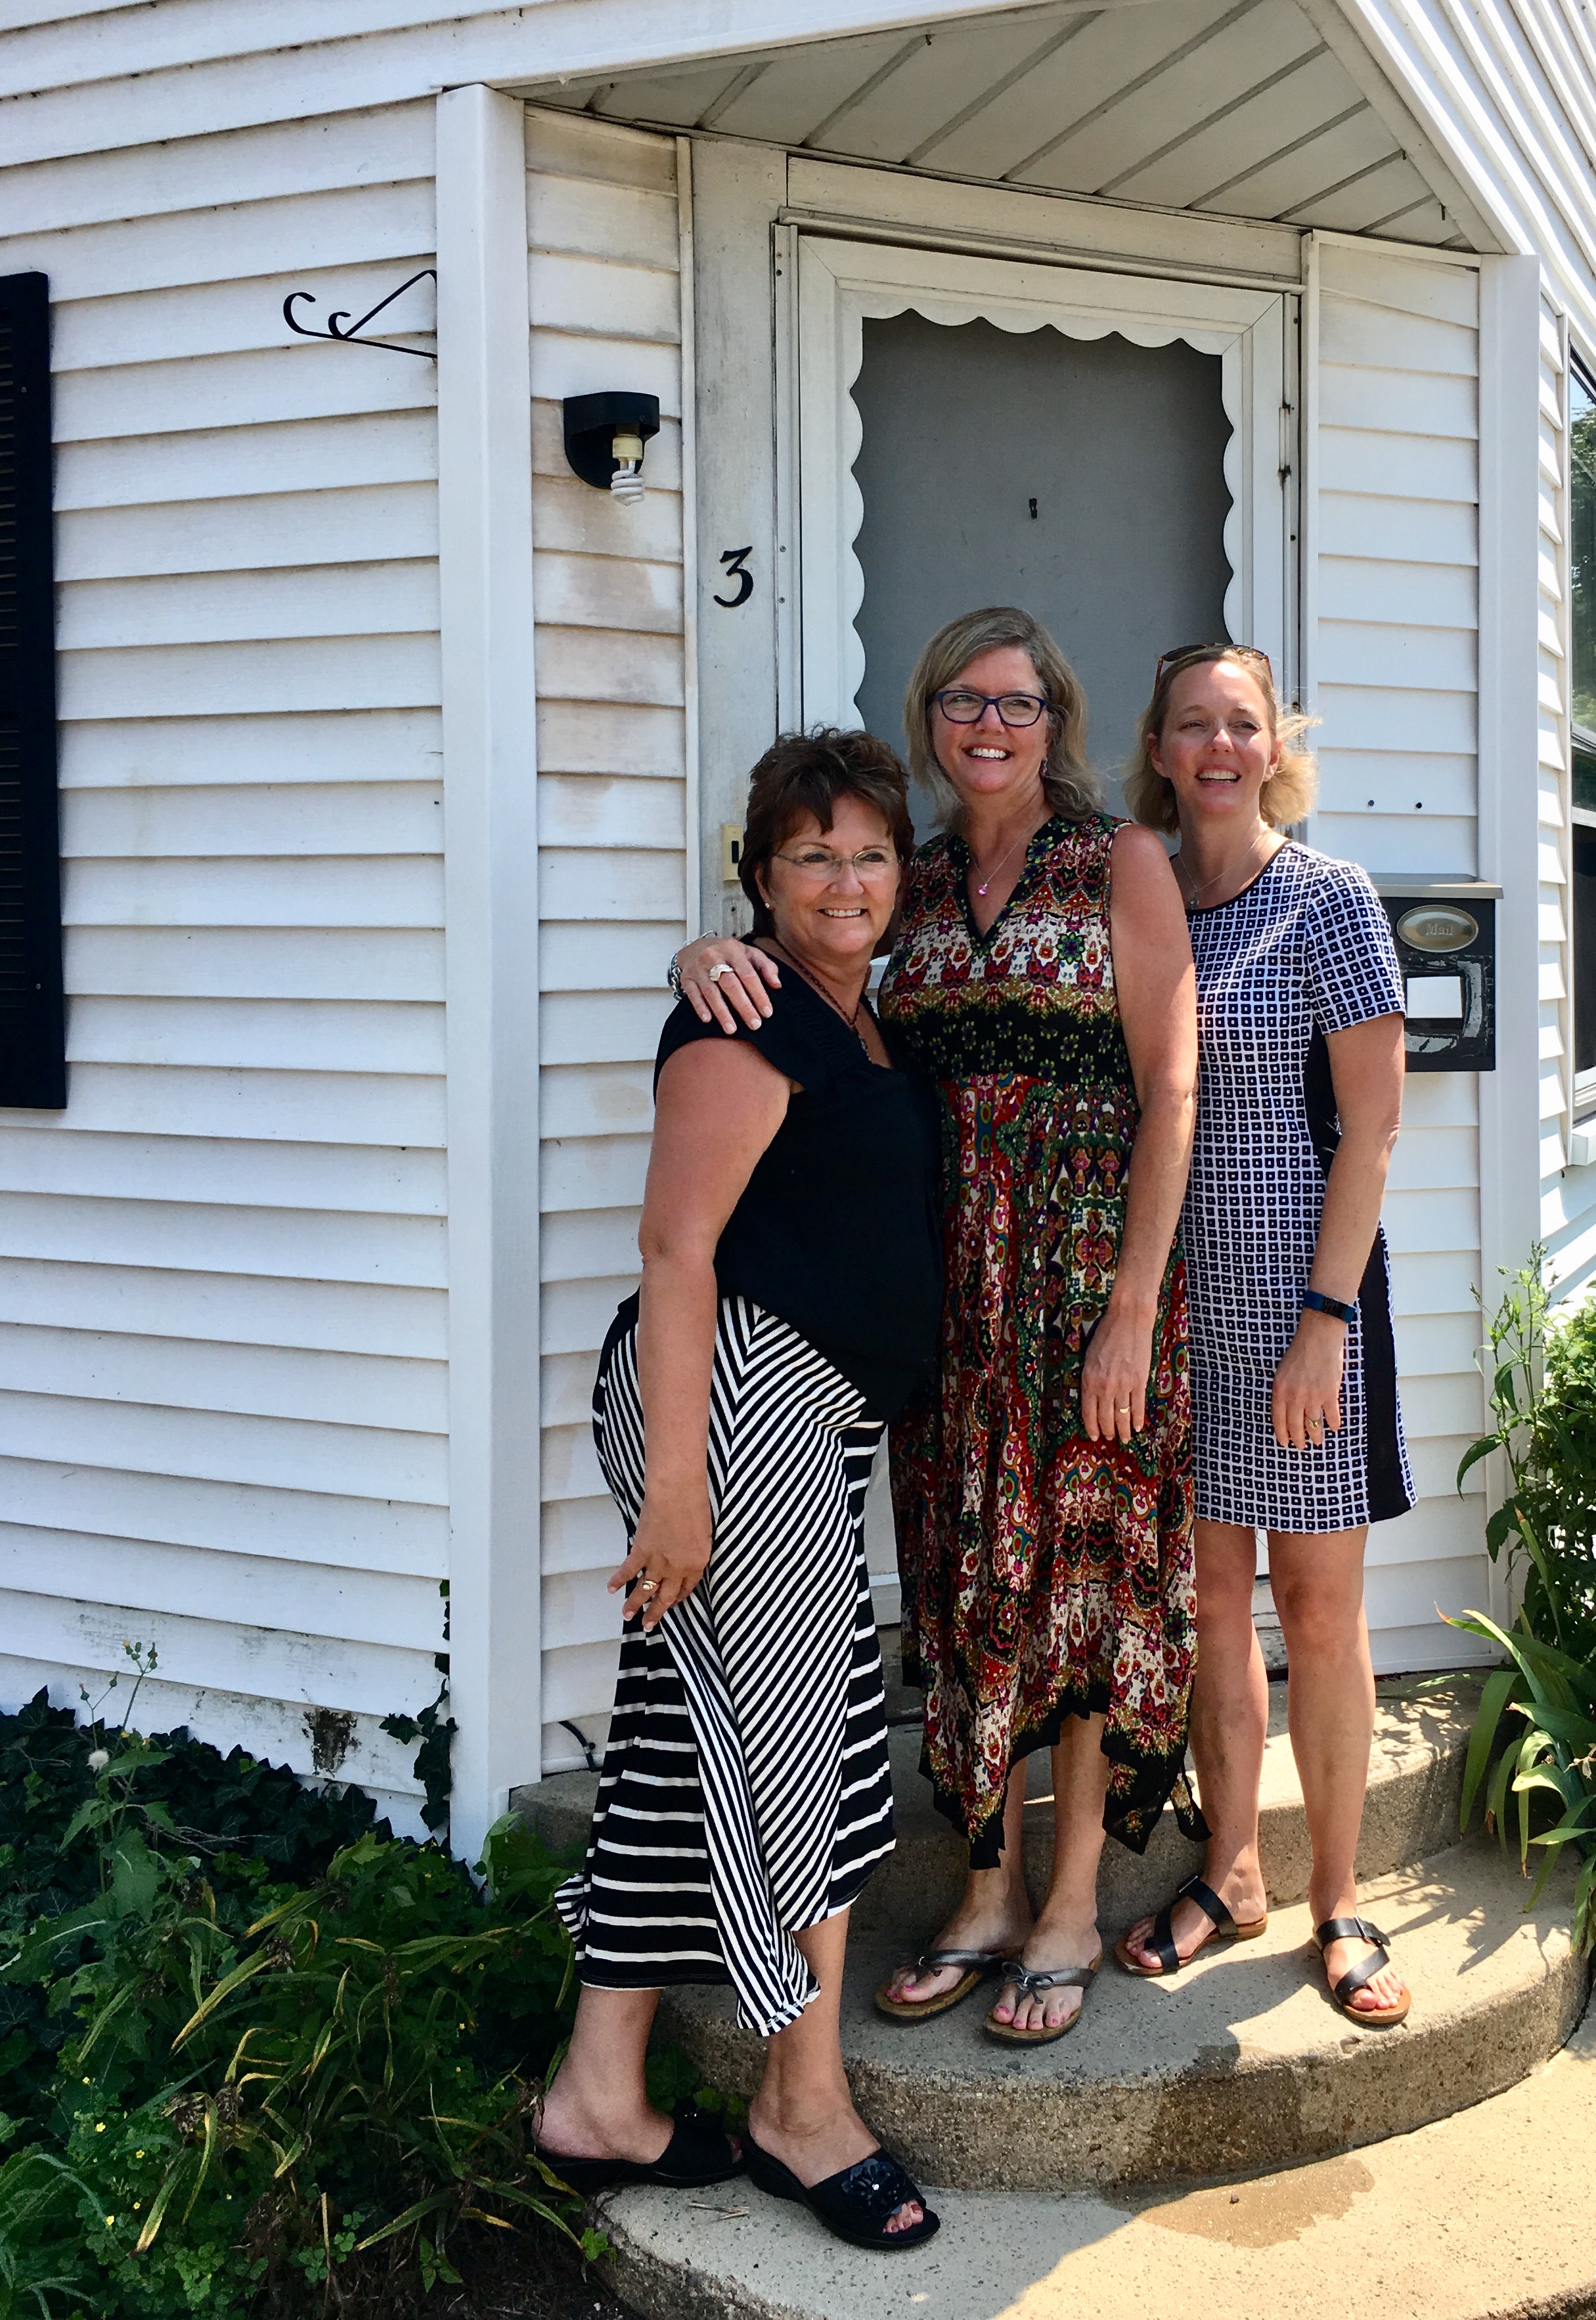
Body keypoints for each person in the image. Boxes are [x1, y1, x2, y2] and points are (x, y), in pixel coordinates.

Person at [673, 607, 1198, 2044]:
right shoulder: (902, 882)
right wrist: (702, 957)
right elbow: (813, 960)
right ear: (929, 717)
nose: (989, 723)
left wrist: (1135, 1310)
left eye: (1017, 702)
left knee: (1081, 1587)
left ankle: (1073, 1901)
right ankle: (983, 1891)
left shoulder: (1119, 862)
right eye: (961, 698)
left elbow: (1174, 1092)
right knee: (970, 1586)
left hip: (1091, 1284)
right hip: (945, 1295)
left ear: (1057, 718)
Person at [541, 728, 944, 2249]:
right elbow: (675, 1255)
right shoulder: (744, 1020)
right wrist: (675, 1492)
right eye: (811, 856)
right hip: (740, 1415)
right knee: (814, 1762)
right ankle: (803, 2101)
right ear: (759, 879)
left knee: (671, 1744)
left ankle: (598, 2097)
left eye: (869, 854)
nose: (846, 881)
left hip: (805, 1419)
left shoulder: (858, 1013)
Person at [1111, 645, 1414, 2028]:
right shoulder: (1144, 893)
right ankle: (1230, 1871)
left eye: (1243, 723)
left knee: (1318, 1609)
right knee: (1211, 1604)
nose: (1220, 747)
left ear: (1274, 740)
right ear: (1161, 749)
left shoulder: (1330, 900)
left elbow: (1374, 1127)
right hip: (1181, 1315)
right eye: (1194, 726)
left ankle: (1340, 1901)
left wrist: (1324, 1325)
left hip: (1308, 1308)